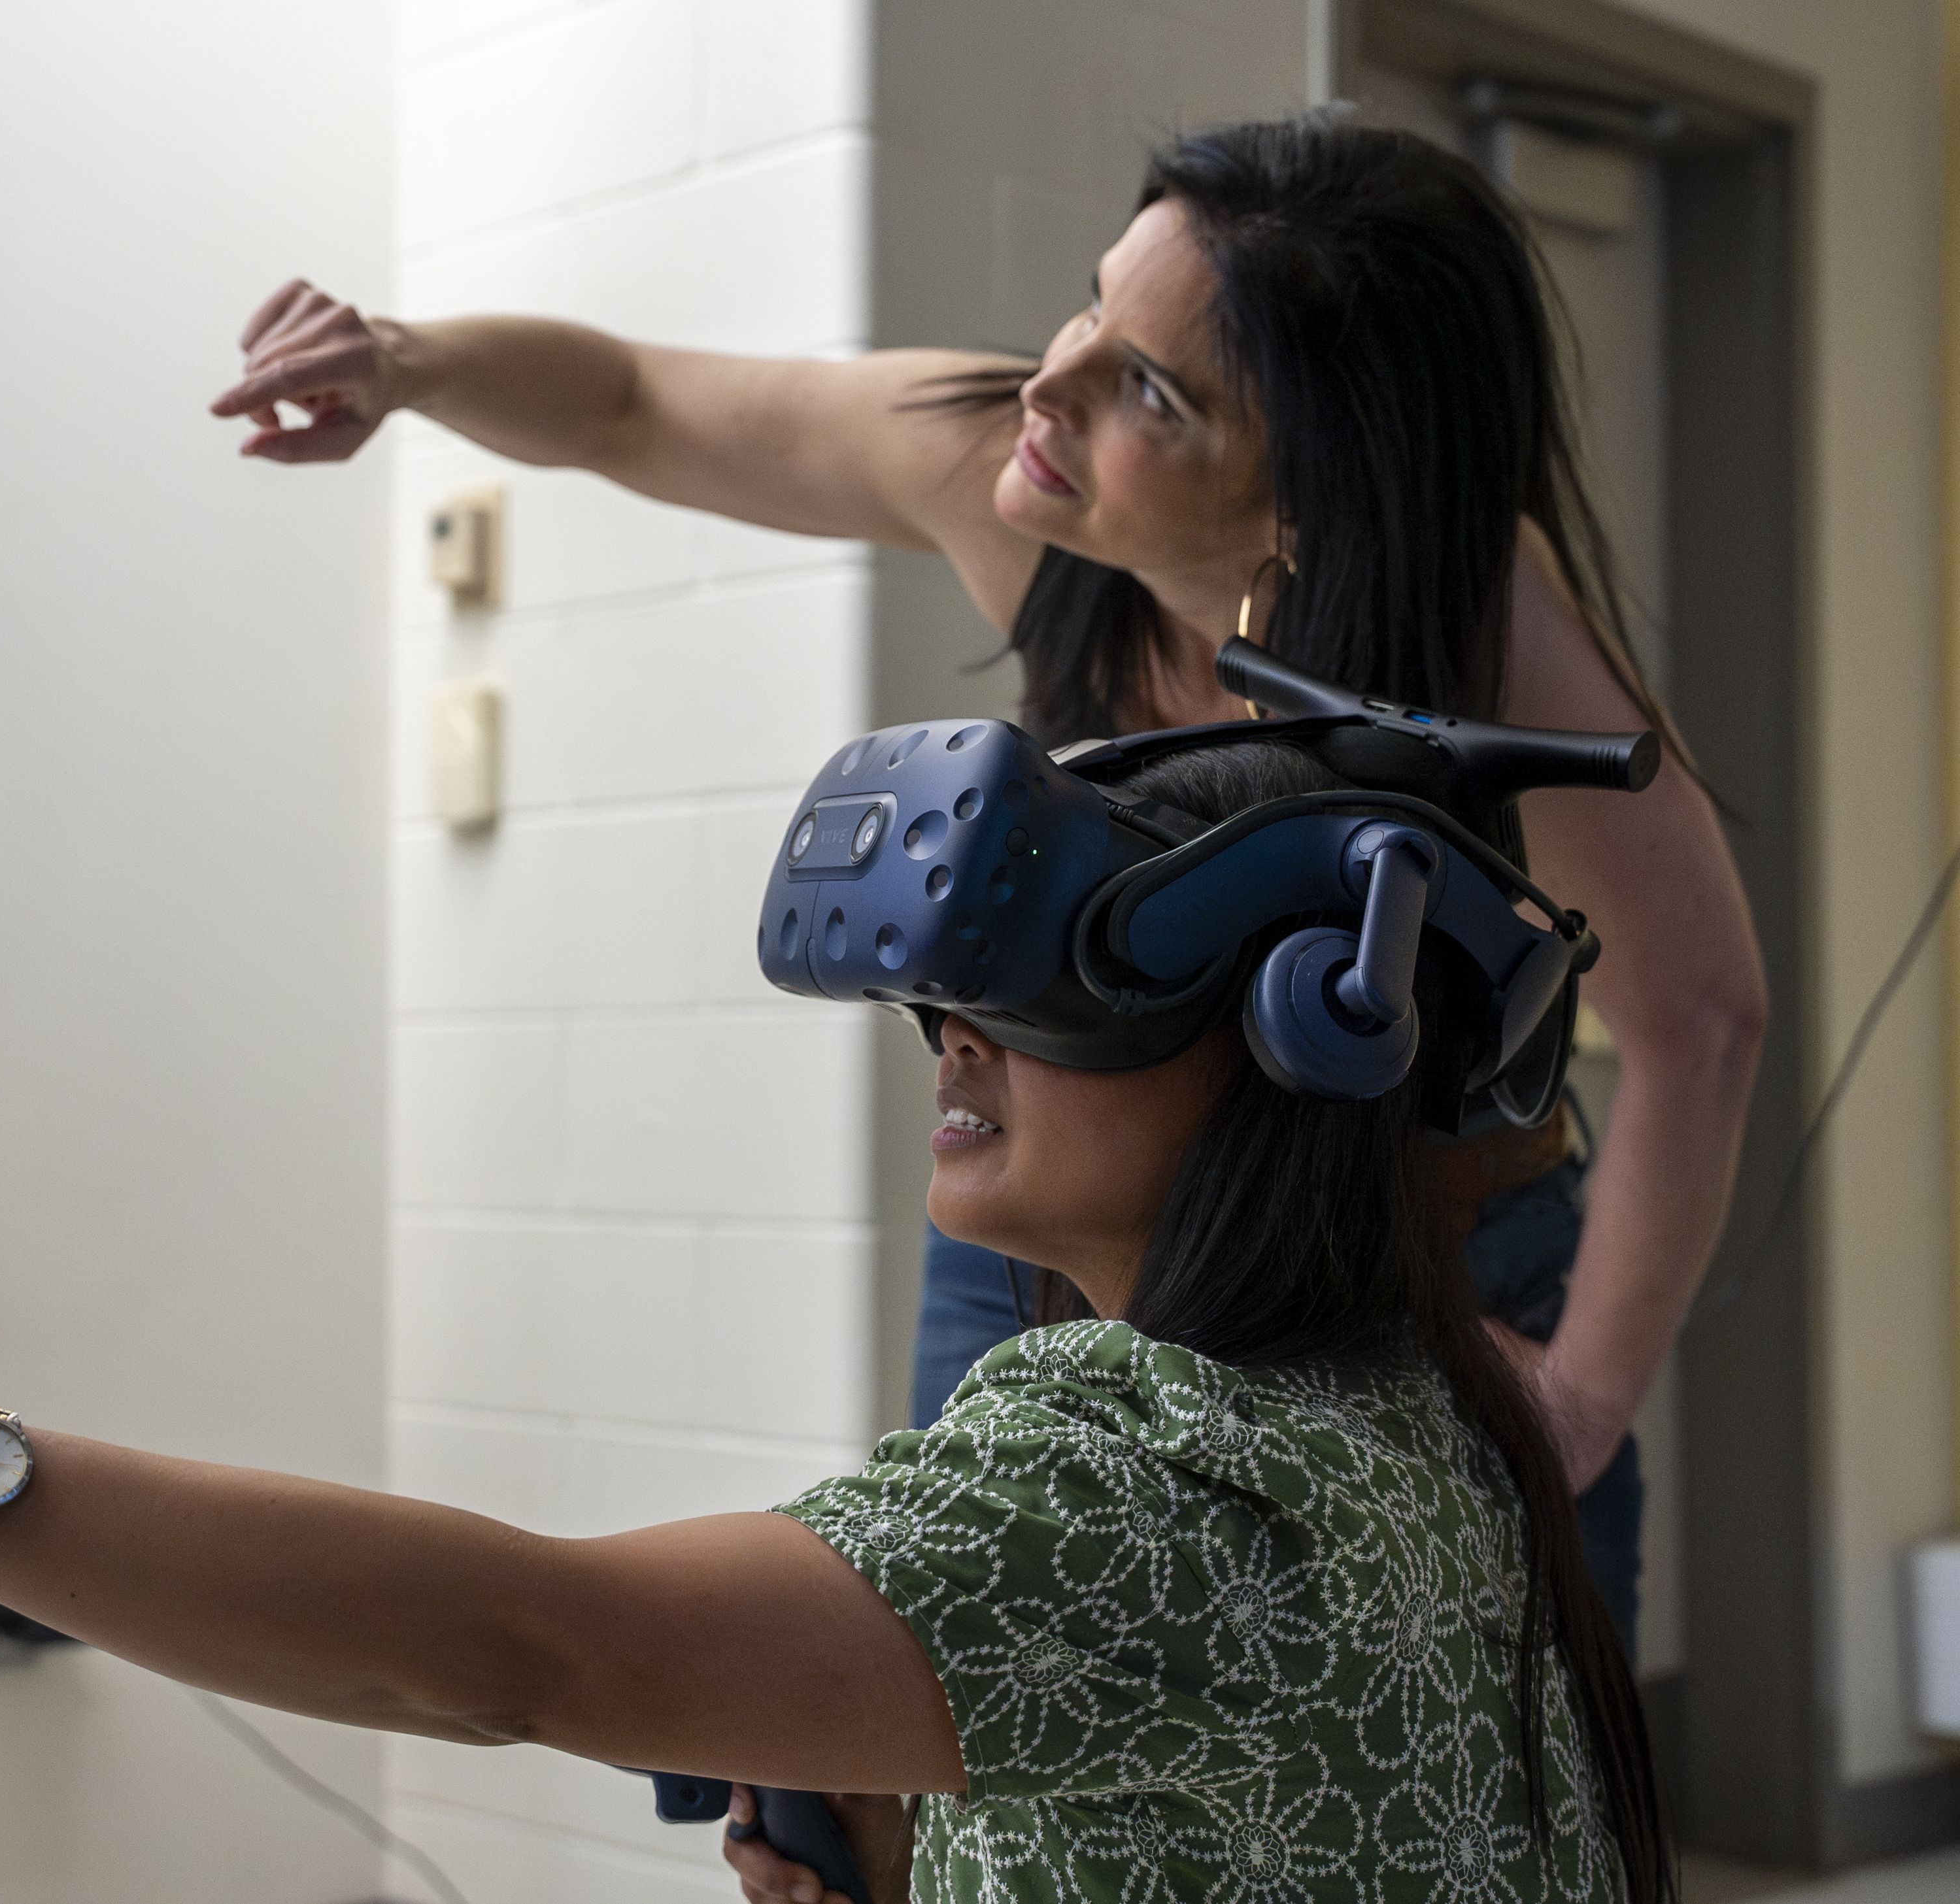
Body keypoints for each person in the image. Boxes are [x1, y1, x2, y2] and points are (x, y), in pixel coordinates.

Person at [211, 114, 1767, 1657]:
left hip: (1405, 1249)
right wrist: (400, 361)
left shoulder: (1477, 622)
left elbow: (1698, 1016)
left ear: (1305, 497)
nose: (1047, 383)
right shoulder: (1019, 480)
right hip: (1049, 1228)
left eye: (1148, 389)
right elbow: (628, 401)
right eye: (1091, 304)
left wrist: (1581, 1398)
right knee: (969, 1699)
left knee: (1471, 1751)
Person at [0, 736, 1673, 1904]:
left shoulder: (1151, 1482)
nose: (956, 1040)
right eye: (947, 998)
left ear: (1311, 1038)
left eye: (1057, 992)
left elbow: (522, 1648)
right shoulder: (1424, 1418)